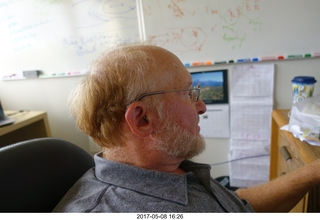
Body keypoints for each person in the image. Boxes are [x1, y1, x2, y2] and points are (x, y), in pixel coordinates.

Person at [53, 42, 320, 213]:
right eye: (189, 93)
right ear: (142, 119)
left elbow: (238, 208)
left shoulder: (170, 168)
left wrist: (313, 172)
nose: (201, 106)